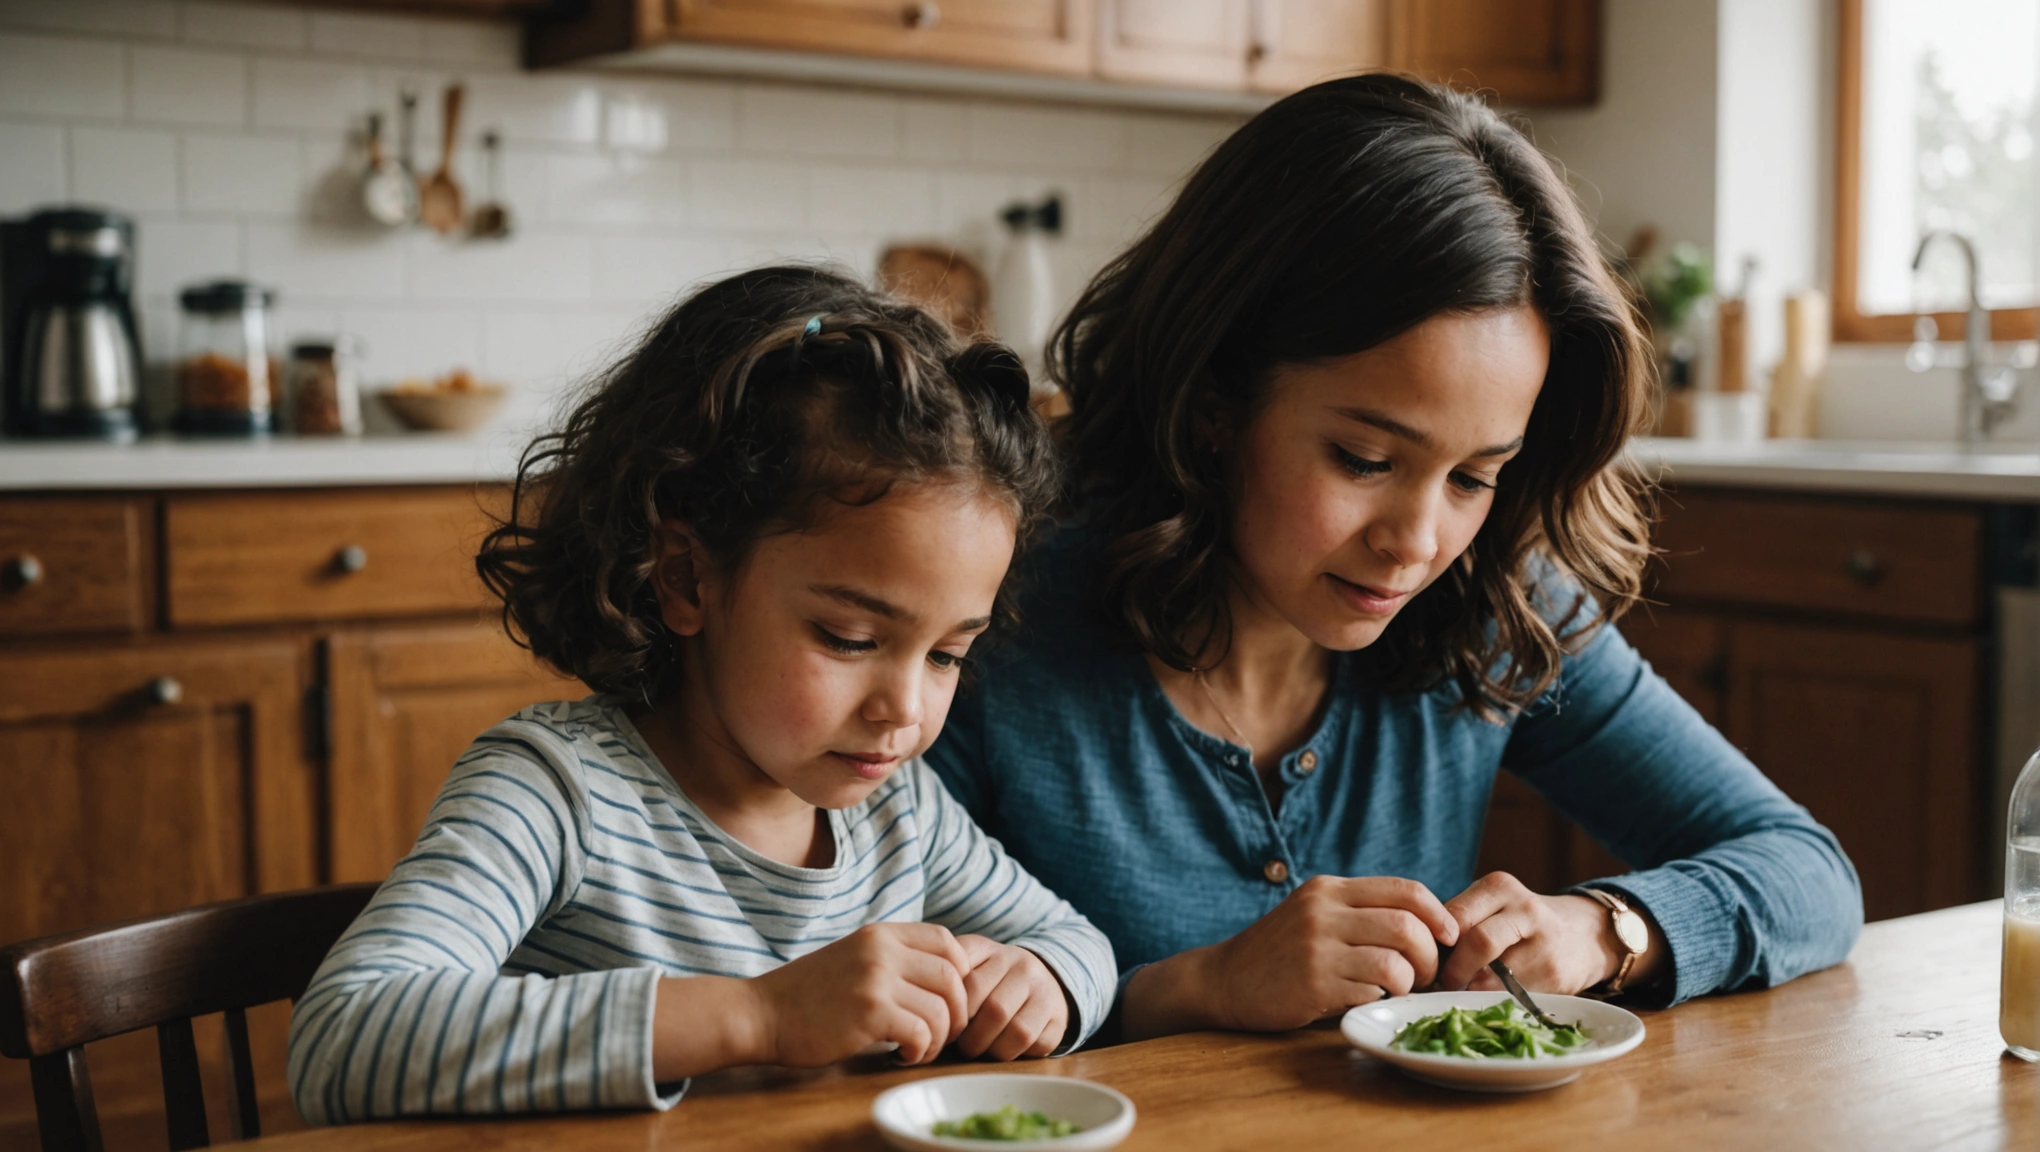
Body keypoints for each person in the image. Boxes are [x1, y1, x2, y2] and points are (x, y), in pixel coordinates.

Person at [925, 74, 1863, 1043]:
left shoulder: (1494, 600)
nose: (1415, 544)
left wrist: (1604, 931)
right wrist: (1196, 988)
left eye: (1474, 476)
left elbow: (1807, 872)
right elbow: (872, 997)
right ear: (1215, 403)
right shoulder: (986, 609)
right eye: (1366, 459)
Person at [288, 267, 1115, 1123]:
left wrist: (1042, 981)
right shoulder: (558, 791)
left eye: (946, 654)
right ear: (686, 576)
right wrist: (757, 1015)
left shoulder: (903, 815)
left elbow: (1081, 944)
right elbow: (345, 1035)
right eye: (850, 640)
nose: (903, 710)